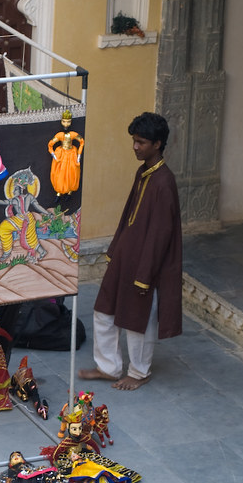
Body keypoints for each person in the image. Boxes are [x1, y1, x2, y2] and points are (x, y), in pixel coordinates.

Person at [80, 112, 181, 391]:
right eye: (134, 141)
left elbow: (161, 235)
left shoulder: (164, 183)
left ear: (157, 144)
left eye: (141, 142)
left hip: (144, 265)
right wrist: (117, 250)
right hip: (125, 257)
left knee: (139, 320)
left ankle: (139, 372)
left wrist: (145, 273)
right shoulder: (143, 173)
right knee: (104, 310)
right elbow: (129, 216)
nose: (135, 147)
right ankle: (108, 367)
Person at [48, 109, 84, 196]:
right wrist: (54, 156)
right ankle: (59, 191)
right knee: (60, 173)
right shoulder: (60, 135)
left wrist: (79, 156)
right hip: (62, 154)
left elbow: (82, 141)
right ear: (61, 121)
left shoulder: (73, 134)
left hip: (72, 154)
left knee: (72, 172)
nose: (66, 124)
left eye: (68, 122)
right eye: (64, 121)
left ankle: (70, 190)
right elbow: (50, 145)